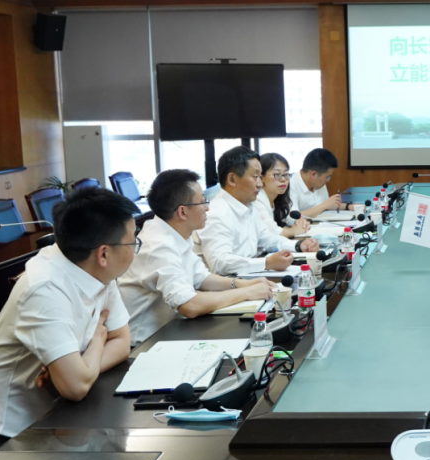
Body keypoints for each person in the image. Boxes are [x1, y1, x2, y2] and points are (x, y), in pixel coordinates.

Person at [0, 188, 139, 452]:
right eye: (132, 243)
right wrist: (97, 343)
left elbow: (122, 341)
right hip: (16, 442)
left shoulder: (94, 268)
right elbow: (75, 387)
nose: (135, 251)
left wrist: (82, 367)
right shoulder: (45, 288)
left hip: (67, 420)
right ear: (104, 254)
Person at [119, 169, 278, 346]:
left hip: (172, 331)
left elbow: (200, 277)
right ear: (182, 212)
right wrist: (246, 293)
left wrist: (241, 283)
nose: (207, 207)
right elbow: (190, 305)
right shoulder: (159, 246)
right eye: (202, 201)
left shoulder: (173, 232)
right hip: (145, 345)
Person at [193, 146, 319, 276]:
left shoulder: (248, 206)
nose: (260, 184)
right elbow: (219, 263)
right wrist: (266, 263)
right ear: (232, 179)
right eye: (255, 177)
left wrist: (299, 245)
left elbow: (267, 239)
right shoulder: (217, 213)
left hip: (247, 278)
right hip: (224, 284)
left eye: (260, 177)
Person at [255, 152, 314, 239]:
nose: (283, 179)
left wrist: (301, 222)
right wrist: (295, 230)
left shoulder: (278, 198)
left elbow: (289, 219)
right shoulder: (257, 199)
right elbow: (273, 232)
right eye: (277, 175)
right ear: (261, 177)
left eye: (286, 174)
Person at [294, 148, 355, 217]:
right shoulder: (290, 185)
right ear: (313, 174)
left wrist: (349, 206)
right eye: (327, 177)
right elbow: (291, 218)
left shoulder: (319, 183)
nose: (328, 180)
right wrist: (325, 205)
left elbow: (328, 206)